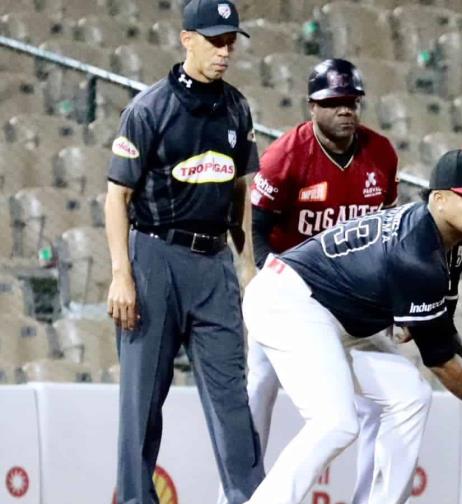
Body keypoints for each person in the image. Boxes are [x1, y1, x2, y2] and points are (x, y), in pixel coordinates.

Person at [242, 149, 462, 503]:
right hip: (288, 301)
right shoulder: (417, 255)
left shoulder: (451, 243)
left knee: (410, 396)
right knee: (334, 423)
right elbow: (439, 361)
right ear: (440, 200)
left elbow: (444, 333)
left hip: (334, 315)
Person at [104, 1, 263, 502]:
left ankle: (247, 497)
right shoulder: (149, 108)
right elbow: (116, 195)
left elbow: (241, 189)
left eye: (231, 40)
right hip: (155, 258)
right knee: (141, 405)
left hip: (214, 263)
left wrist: (247, 266)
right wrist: (121, 275)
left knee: (232, 401)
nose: (225, 50)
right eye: (216, 40)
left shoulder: (237, 107)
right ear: (186, 39)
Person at [242, 58, 400, 502]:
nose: (345, 110)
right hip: (293, 293)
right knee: (258, 392)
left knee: (395, 398)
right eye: (333, 103)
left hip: (350, 299)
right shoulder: (286, 155)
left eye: (351, 101)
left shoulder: (381, 154)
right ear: (313, 106)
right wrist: (271, 282)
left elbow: (386, 231)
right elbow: (258, 225)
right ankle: (238, 494)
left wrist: (388, 302)